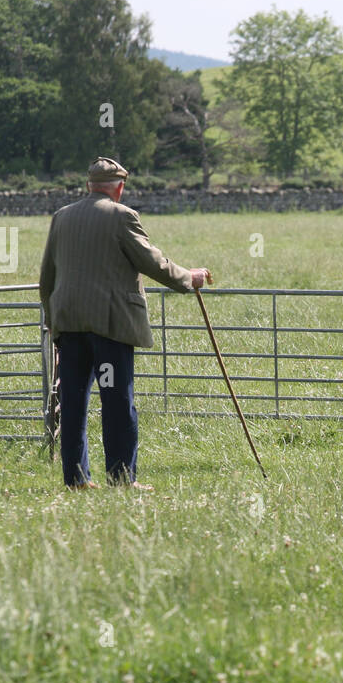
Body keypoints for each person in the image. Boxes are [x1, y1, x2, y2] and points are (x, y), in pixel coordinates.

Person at [38, 157, 209, 490]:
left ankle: (76, 479)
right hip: (109, 328)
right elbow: (152, 262)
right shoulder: (122, 216)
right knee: (116, 401)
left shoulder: (62, 217)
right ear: (119, 187)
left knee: (73, 402)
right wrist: (190, 277)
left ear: (89, 186)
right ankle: (121, 478)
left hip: (69, 326)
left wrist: (53, 322)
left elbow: (47, 278)